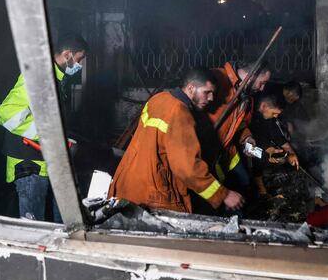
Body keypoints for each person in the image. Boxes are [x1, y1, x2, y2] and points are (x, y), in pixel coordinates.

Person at [108, 68, 244, 213]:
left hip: (127, 184)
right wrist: (223, 194)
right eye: (206, 92)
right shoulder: (180, 113)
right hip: (152, 194)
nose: (211, 98)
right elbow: (187, 167)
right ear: (191, 88)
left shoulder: (158, 99)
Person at [0, 34, 88, 222]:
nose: (80, 65)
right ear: (67, 54)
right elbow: (7, 113)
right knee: (33, 228)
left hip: (43, 163)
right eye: (80, 59)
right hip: (29, 164)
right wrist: (50, 136)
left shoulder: (56, 78)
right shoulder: (40, 78)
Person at [207, 60, 272, 193]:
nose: (262, 88)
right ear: (252, 74)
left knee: (245, 183)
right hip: (208, 152)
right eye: (262, 82)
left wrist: (247, 138)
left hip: (227, 151)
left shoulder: (246, 96)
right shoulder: (218, 78)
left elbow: (239, 122)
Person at [248, 94, 300, 198]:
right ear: (264, 106)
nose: (276, 116)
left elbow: (281, 140)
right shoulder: (248, 117)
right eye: (274, 113)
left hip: (263, 155)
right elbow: (249, 149)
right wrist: (266, 155)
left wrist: (291, 153)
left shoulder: (269, 120)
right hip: (246, 158)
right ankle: (260, 190)